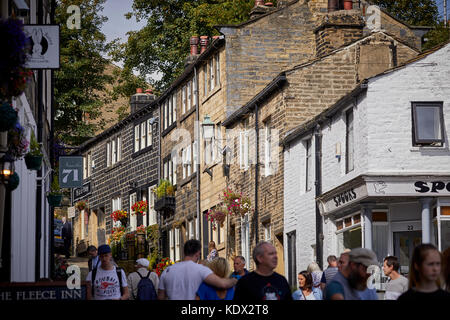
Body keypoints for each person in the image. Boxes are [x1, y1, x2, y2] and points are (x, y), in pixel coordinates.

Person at [158, 239, 237, 300]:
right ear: (198, 253)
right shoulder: (201, 270)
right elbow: (222, 284)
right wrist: (234, 280)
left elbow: (160, 297)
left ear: (184, 252)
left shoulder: (167, 271)